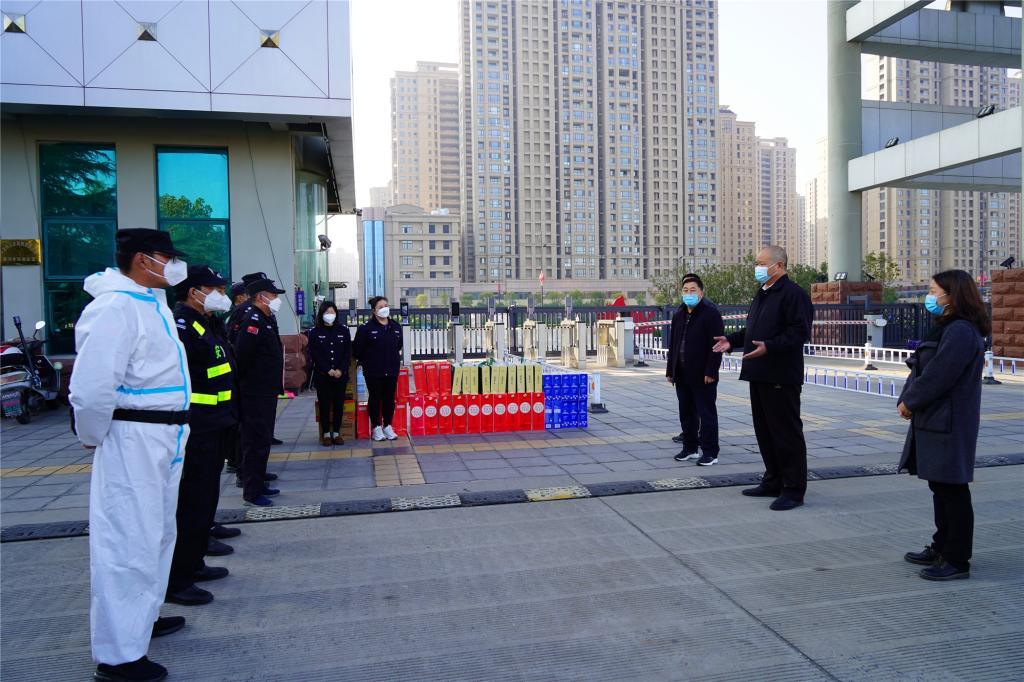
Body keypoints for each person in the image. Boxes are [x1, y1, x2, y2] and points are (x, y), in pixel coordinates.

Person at [70, 228, 191, 682]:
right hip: (134, 435)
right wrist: (92, 433)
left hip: (164, 435)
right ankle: (119, 656)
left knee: (157, 531)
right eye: (167, 258)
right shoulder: (115, 307)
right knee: (127, 539)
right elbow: (92, 386)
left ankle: (143, 618)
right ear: (143, 259)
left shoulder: (150, 303)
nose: (174, 266)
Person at [897, 270, 988, 581]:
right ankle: (941, 546)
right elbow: (921, 368)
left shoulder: (961, 331)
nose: (930, 296)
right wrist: (908, 398)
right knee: (940, 485)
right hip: (936, 418)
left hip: (949, 419)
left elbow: (940, 375)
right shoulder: (947, 326)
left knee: (952, 488)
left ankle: (957, 559)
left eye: (934, 291)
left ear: (952, 296)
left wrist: (911, 401)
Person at [712, 245, 813, 511]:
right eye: (756, 263)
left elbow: (799, 332)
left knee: (786, 433)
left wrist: (770, 346)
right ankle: (773, 481)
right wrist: (731, 340)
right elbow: (754, 329)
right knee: (766, 432)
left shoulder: (793, 294)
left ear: (779, 265)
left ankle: (793, 490)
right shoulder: (764, 292)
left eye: (761, 263)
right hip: (759, 373)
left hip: (780, 374)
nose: (757, 268)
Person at [165, 266, 237, 608]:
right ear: (194, 292)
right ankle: (179, 578)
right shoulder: (182, 325)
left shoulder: (205, 322)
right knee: (192, 502)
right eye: (215, 289)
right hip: (198, 425)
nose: (221, 295)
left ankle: (195, 561)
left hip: (216, 421)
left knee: (206, 496)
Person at [234, 276, 286, 506]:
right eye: (273, 295)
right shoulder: (252, 320)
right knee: (254, 442)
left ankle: (259, 482)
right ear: (261, 297)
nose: (276, 299)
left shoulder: (264, 318)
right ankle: (252, 491)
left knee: (263, 440)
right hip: (254, 392)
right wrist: (251, 385)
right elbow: (243, 357)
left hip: (265, 390)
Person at [666, 273, 724, 466]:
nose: (688, 293)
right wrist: (670, 371)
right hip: (682, 373)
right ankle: (690, 448)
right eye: (685, 290)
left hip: (703, 375)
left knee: (706, 414)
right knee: (686, 413)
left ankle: (710, 452)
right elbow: (673, 345)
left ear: (701, 293)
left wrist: (711, 371)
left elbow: (717, 346)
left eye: (693, 290)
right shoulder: (679, 314)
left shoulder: (710, 314)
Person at [353, 296, 403, 441]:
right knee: (375, 397)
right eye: (380, 307)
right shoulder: (365, 328)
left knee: (389, 398)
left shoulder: (395, 326)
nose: (384, 309)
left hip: (391, 368)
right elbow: (358, 350)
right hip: (373, 370)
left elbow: (398, 345)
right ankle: (376, 427)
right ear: (374, 311)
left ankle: (387, 426)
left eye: (386, 305)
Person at [307, 301, 352, 446]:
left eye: (332, 312)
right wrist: (327, 369)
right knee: (324, 404)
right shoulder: (314, 332)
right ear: (321, 314)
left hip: (340, 375)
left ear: (336, 314)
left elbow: (347, 352)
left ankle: (337, 433)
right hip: (323, 375)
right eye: (327, 312)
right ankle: (326, 433)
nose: (329, 315)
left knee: (339, 404)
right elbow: (314, 354)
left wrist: (340, 369)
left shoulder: (343, 330)